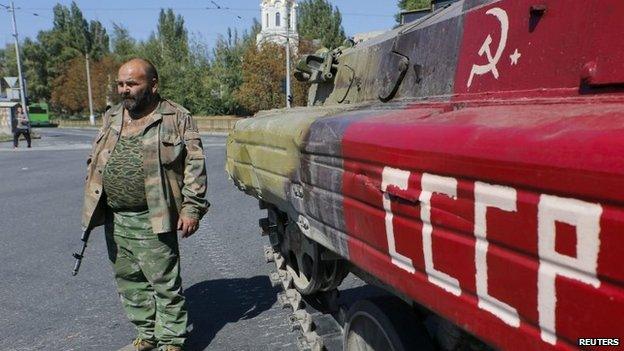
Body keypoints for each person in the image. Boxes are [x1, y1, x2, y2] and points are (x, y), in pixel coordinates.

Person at [82, 58, 208, 351]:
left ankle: (171, 340)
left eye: (132, 84)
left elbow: (195, 165)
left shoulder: (176, 117)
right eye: (121, 84)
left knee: (164, 283)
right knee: (129, 281)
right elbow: (97, 157)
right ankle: (146, 334)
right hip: (115, 216)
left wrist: (191, 208)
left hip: (154, 215)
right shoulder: (112, 115)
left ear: (153, 85)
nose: (124, 90)